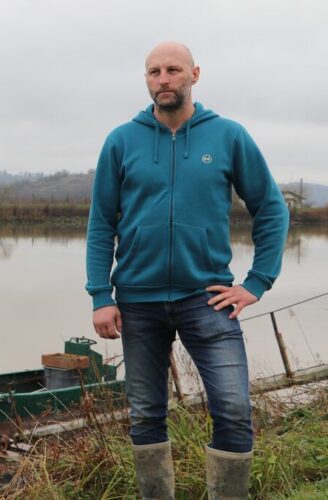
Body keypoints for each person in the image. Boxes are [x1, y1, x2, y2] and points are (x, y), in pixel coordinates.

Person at [85, 42, 289, 499]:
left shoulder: (229, 136)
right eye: (154, 71)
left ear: (194, 75)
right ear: (146, 80)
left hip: (208, 298)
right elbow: (101, 223)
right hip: (137, 300)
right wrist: (100, 294)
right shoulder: (121, 140)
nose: (163, 79)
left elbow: (271, 210)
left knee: (234, 409)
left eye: (173, 70)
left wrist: (257, 282)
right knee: (145, 415)